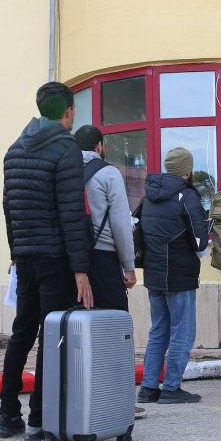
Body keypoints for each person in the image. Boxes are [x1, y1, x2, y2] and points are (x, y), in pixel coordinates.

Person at [0, 82, 93, 441]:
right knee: (51, 335)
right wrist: (81, 269)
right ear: (68, 111)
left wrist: (14, 252)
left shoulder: (14, 149)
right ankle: (38, 418)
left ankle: (8, 415)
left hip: (25, 255)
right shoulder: (65, 146)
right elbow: (71, 211)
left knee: (22, 331)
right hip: (55, 257)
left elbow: (8, 206)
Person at [138, 147, 209, 404]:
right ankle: (171, 388)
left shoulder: (149, 196)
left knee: (159, 330)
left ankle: (148, 387)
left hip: (154, 275)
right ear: (188, 171)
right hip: (179, 274)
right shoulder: (186, 196)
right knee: (183, 331)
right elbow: (199, 239)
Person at [73, 125, 137, 311]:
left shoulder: (65, 172)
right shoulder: (109, 173)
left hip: (72, 258)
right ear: (99, 146)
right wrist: (129, 267)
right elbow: (120, 224)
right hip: (104, 258)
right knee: (112, 318)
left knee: (78, 321)